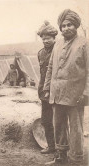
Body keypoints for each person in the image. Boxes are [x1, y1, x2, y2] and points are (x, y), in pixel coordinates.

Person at [44, 9, 89, 165]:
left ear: (75, 25)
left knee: (76, 128)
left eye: (69, 25)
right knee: (59, 126)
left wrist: (86, 92)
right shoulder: (58, 44)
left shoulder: (84, 43)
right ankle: (61, 156)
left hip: (75, 94)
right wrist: (47, 88)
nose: (66, 28)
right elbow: (50, 67)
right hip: (57, 92)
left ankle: (77, 159)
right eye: (63, 26)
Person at [37, 21, 58, 154]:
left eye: (48, 38)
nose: (46, 41)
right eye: (43, 39)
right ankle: (51, 146)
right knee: (45, 120)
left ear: (54, 38)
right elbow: (42, 73)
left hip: (58, 90)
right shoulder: (40, 53)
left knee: (60, 121)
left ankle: (64, 147)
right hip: (44, 92)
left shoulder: (59, 50)